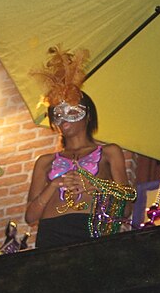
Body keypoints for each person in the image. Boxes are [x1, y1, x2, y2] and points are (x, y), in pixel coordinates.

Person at [26, 46, 135, 249]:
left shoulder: (110, 152)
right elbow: (30, 216)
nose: (64, 117)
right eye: (57, 112)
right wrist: (53, 185)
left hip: (92, 228)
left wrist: (95, 185)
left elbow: (127, 207)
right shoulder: (45, 161)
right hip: (52, 232)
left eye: (72, 110)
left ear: (88, 114)